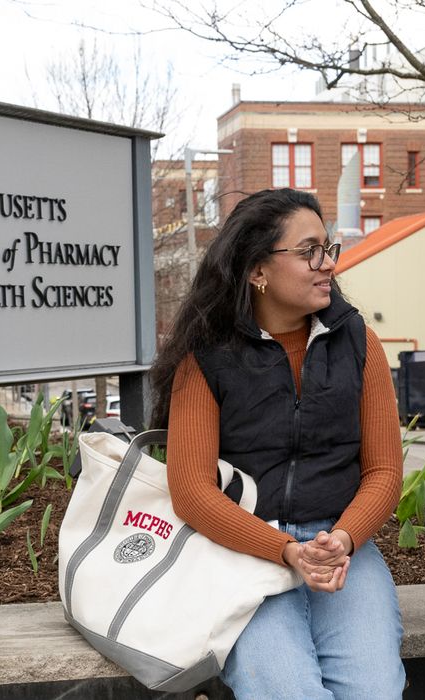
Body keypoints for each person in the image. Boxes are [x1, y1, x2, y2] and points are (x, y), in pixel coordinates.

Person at [149, 188, 407, 699]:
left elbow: (383, 472)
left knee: (374, 692)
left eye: (328, 248)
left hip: (342, 553)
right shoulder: (207, 355)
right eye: (309, 251)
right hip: (243, 551)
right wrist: (285, 550)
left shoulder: (359, 343)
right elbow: (192, 491)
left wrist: (344, 539)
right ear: (257, 270)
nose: (327, 264)